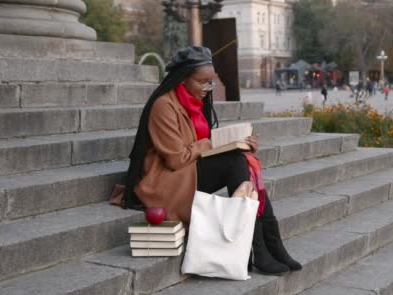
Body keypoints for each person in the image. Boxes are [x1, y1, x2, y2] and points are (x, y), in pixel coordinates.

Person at [122, 47, 301, 275]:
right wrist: (213, 143)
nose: (207, 89)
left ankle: (273, 245)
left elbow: (200, 146)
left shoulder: (194, 104)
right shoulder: (163, 106)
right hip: (168, 180)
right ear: (183, 79)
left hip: (189, 171)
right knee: (236, 162)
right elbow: (176, 159)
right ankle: (258, 249)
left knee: (243, 158)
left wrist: (241, 143)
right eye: (202, 82)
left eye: (211, 82)